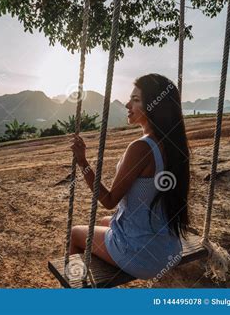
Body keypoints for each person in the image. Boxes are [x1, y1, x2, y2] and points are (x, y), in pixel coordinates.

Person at [69, 73, 190, 279]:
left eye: (135, 100)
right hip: (170, 248)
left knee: (75, 234)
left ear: (154, 106)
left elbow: (108, 200)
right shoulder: (174, 143)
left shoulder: (142, 147)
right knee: (107, 221)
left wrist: (83, 163)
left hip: (145, 258)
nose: (127, 105)